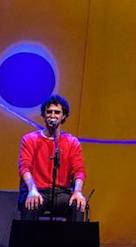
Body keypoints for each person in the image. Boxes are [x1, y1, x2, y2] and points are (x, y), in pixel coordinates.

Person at [18, 94, 87, 222]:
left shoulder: (72, 142)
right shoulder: (29, 139)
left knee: (77, 205)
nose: (53, 115)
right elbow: (24, 167)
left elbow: (79, 171)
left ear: (63, 116)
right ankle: (26, 242)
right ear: (44, 115)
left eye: (57, 112)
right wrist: (32, 189)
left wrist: (77, 191)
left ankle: (73, 242)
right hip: (38, 190)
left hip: (61, 193)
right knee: (30, 204)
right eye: (49, 112)